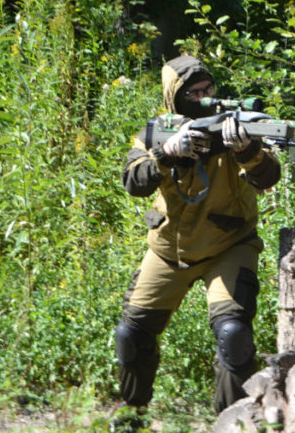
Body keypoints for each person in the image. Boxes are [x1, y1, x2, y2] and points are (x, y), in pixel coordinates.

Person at [111, 55, 281, 430]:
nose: (205, 97)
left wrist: (245, 150)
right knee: (131, 334)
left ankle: (232, 422)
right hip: (169, 249)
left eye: (209, 90)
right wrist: (167, 152)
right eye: (194, 92)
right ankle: (132, 413)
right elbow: (133, 182)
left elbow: (269, 175)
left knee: (233, 333)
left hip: (228, 245)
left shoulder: (235, 125)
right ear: (176, 97)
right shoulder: (157, 131)